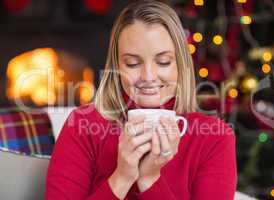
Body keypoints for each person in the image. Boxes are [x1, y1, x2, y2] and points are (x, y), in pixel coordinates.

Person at [45, 1, 237, 199]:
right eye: (133, 63)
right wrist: (122, 177)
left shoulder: (215, 138)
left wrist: (150, 179)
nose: (148, 76)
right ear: (116, 67)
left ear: (181, 65)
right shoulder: (83, 126)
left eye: (163, 62)